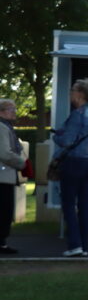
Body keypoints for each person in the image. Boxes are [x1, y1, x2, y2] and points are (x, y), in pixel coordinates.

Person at [53, 79, 88, 258]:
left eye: (73, 90)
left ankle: (74, 244)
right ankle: (85, 245)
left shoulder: (77, 114)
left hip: (75, 162)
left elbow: (66, 141)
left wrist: (57, 137)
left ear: (80, 94)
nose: (71, 93)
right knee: (84, 204)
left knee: (68, 203)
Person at [0, 99, 27, 255]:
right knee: (4, 211)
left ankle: (2, 242)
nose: (14, 112)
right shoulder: (2, 128)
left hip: (5, 175)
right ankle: (1, 243)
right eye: (11, 109)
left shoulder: (6, 127)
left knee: (5, 211)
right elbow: (4, 153)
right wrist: (22, 163)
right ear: (2, 111)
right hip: (3, 176)